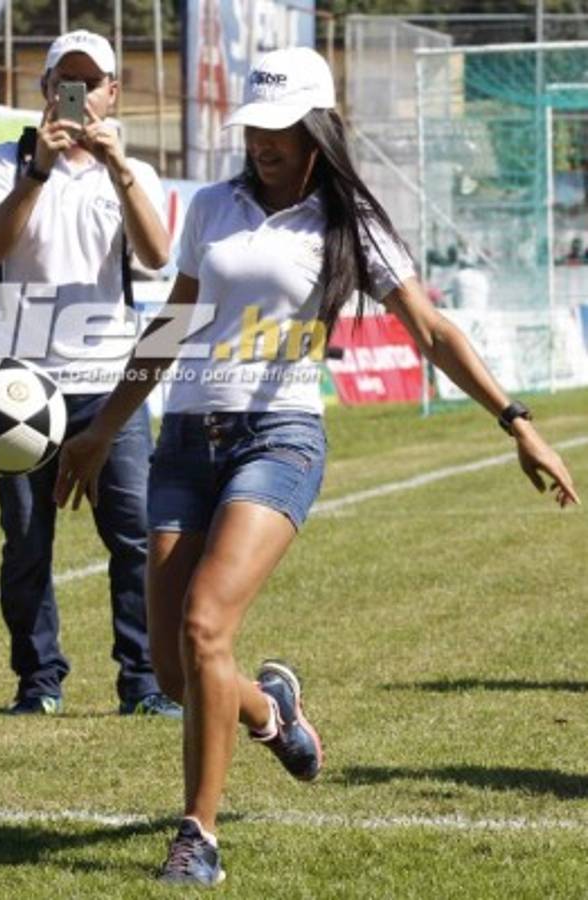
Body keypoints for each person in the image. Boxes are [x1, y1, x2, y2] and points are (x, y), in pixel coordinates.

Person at [54, 47, 580, 885]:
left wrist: (516, 422)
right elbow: (170, 324)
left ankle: (199, 836)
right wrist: (103, 428)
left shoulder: (350, 222)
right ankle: (272, 711)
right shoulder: (213, 207)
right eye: (253, 128)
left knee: (205, 628)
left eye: (279, 129)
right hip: (185, 442)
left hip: (279, 438)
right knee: (173, 670)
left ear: (316, 130)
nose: (260, 142)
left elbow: (433, 332)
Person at [0, 30, 181, 719]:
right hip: (19, 386)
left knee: (134, 537)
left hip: (110, 386)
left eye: (93, 83)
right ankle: (39, 683)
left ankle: (143, 683)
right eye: (68, 81)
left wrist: (120, 168)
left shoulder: (136, 172)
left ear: (113, 93)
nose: (80, 95)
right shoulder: (4, 163)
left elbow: (155, 257)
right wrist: (36, 169)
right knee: (28, 542)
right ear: (44, 90)